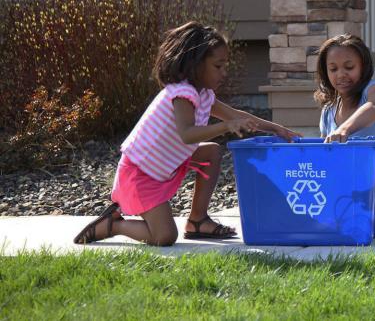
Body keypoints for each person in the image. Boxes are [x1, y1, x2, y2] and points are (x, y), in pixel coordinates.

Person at [74, 21, 299, 246]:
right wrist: (225, 127)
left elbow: (235, 115)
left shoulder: (203, 94)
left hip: (163, 163)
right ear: (196, 64)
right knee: (164, 237)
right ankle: (113, 224)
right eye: (218, 66)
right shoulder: (182, 93)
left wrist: (276, 129)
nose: (224, 72)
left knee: (212, 152)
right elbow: (187, 134)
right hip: (141, 172)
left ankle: (197, 221)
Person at [315, 34, 375, 233]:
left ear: (364, 66)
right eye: (333, 69)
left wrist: (344, 129)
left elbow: (374, 108)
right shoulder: (328, 111)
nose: (341, 74)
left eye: (349, 67)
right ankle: (349, 217)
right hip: (342, 194)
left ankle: (345, 219)